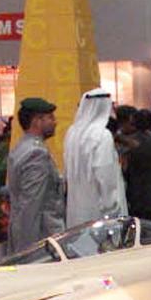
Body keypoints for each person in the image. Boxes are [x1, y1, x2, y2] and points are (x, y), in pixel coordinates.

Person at [4, 96, 65, 253]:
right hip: (41, 238)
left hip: (29, 232)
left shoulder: (21, 147)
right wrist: (28, 252)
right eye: (50, 117)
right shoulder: (36, 154)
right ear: (37, 121)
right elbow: (31, 205)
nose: (55, 122)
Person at [64, 89, 127, 227]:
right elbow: (105, 178)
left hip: (77, 212)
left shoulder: (72, 134)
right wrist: (113, 210)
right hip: (100, 216)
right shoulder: (102, 136)